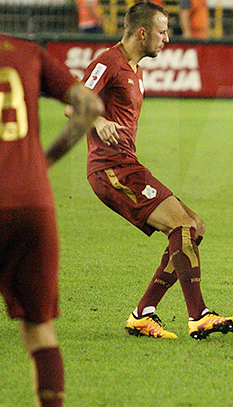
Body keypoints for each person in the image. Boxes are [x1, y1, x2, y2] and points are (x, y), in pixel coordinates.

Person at [81, 0, 233, 339]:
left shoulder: (134, 69)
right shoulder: (108, 62)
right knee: (182, 225)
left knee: (194, 226)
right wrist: (97, 120)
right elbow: (75, 102)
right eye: (162, 31)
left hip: (127, 165)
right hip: (110, 168)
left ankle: (143, 312)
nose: (167, 38)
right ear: (142, 32)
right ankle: (198, 315)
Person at [1, 34, 103, 407]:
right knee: (40, 330)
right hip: (31, 202)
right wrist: (43, 164)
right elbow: (90, 105)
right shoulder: (27, 52)